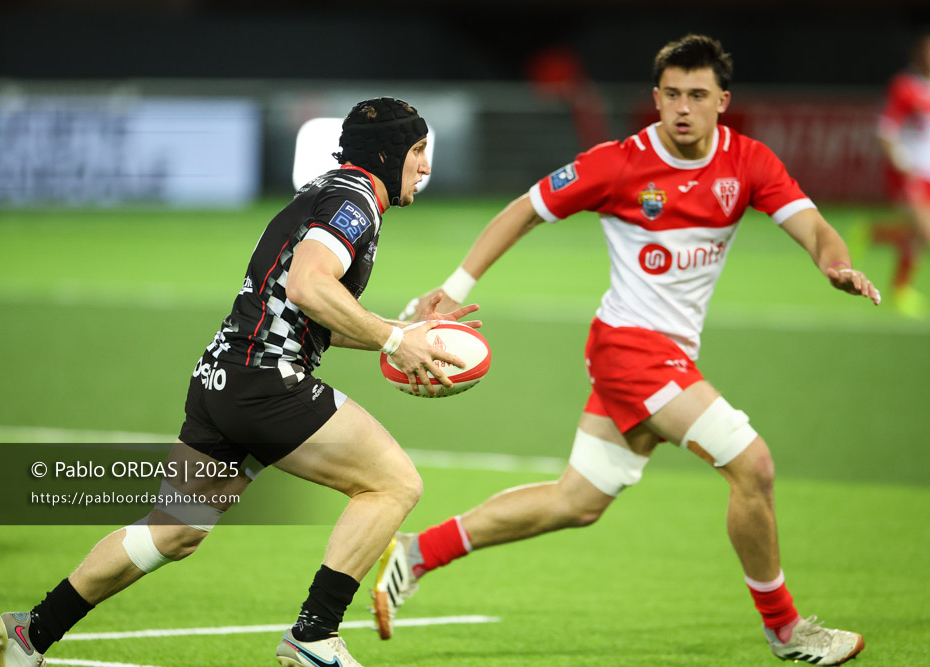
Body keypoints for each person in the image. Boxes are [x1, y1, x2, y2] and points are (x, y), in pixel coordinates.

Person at [373, 35, 877, 665]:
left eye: (697, 95)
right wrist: (453, 289)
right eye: (671, 94)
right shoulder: (617, 164)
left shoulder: (748, 163)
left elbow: (814, 227)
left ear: (723, 100)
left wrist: (836, 265)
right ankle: (785, 630)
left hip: (666, 357)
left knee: (576, 501)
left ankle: (420, 552)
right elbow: (522, 212)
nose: (683, 108)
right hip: (630, 351)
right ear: (657, 98)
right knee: (754, 467)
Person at [0, 97, 480, 667]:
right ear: (389, 152)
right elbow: (307, 287)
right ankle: (314, 635)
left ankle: (31, 632)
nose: (425, 166)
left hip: (223, 378)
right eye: (418, 151)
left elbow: (306, 311)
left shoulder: (327, 191)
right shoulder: (354, 203)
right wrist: (397, 342)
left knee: (172, 532)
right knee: (393, 484)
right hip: (266, 384)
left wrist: (403, 331)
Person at [862, 27, 930, 318]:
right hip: (910, 172)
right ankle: (900, 287)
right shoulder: (904, 86)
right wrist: (899, 162)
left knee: (916, 234)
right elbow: (885, 131)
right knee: (925, 232)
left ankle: (875, 234)